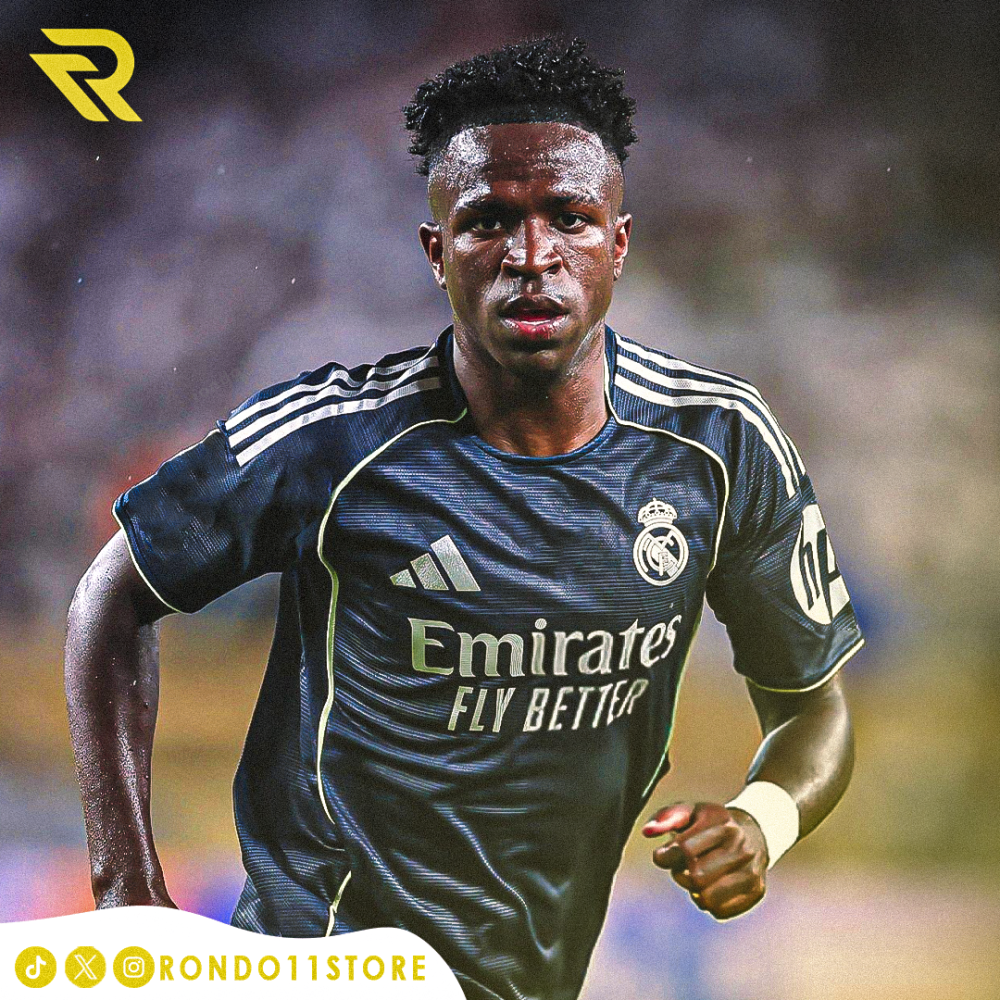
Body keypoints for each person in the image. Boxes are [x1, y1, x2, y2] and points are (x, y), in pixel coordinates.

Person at [65, 36, 863, 1000]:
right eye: (489, 221)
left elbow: (812, 706)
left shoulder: (720, 443)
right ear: (437, 252)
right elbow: (111, 597)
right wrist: (128, 894)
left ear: (618, 244)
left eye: (569, 218)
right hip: (323, 961)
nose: (532, 257)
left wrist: (763, 821)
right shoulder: (332, 440)